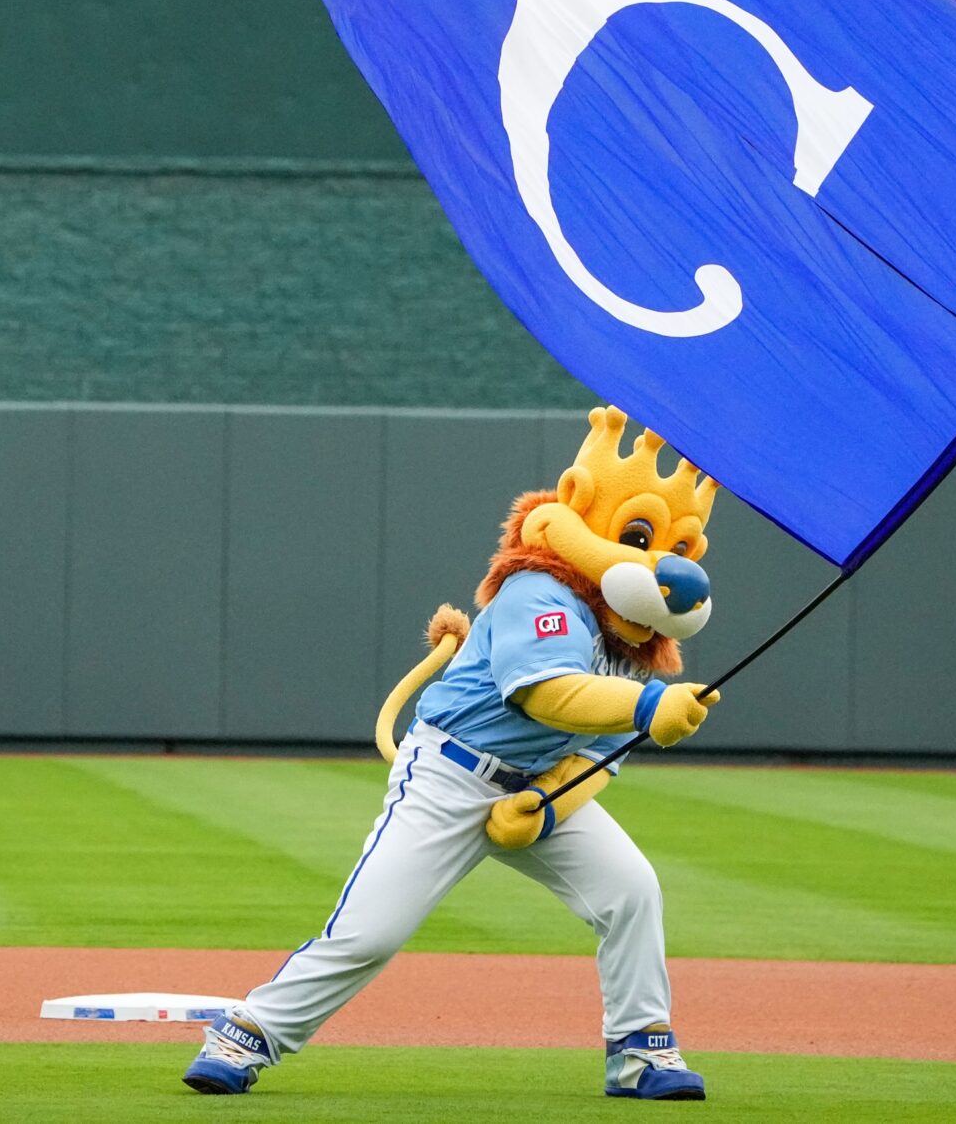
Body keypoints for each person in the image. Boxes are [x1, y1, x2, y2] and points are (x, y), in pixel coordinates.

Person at [181, 408, 717, 1102]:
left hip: (527, 787)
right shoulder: (541, 592)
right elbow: (547, 695)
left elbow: (600, 756)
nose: (660, 562)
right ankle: (249, 1030)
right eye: (640, 536)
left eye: (677, 547)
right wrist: (651, 710)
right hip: (450, 773)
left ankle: (642, 1054)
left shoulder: (638, 650)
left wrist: (547, 803)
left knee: (631, 889)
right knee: (372, 931)